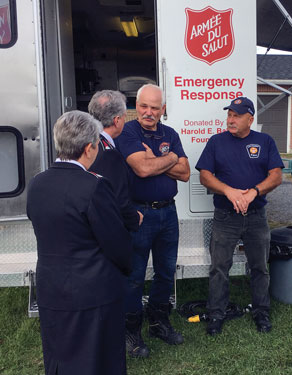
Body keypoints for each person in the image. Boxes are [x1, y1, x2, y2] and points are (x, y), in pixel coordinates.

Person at [27, 111, 133, 375]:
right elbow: (116, 242)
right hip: (93, 292)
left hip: (52, 288)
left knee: (59, 357)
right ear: (89, 148)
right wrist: (128, 266)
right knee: (98, 360)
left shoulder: (37, 184)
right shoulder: (94, 186)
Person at [195, 97, 283, 336]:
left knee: (259, 267)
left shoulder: (264, 141)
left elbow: (276, 175)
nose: (231, 120)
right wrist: (229, 191)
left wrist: (254, 192)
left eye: (237, 115)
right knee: (219, 267)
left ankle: (261, 311)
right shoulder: (216, 142)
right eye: (229, 115)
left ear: (250, 119)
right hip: (225, 216)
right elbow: (204, 175)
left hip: (256, 215)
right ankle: (216, 314)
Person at [116, 84, 190, 357]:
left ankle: (159, 322)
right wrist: (171, 157)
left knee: (166, 272)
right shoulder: (128, 131)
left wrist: (158, 157)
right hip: (139, 214)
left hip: (168, 213)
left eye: (154, 108)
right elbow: (143, 169)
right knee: (134, 276)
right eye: (144, 106)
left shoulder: (169, 133)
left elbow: (185, 173)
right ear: (137, 105)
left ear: (163, 109)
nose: (148, 112)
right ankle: (131, 331)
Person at [88, 90, 143, 231]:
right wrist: (135, 219)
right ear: (117, 120)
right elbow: (119, 199)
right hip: (107, 228)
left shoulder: (86, 144)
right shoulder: (109, 154)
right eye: (124, 117)